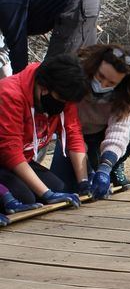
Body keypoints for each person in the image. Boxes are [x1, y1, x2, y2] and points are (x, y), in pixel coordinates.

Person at [50, 44, 130, 196]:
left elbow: (119, 133)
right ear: (94, 66)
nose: (102, 85)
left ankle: (114, 166)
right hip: (71, 137)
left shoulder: (125, 94)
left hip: (102, 134)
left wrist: (105, 166)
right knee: (61, 189)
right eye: (101, 77)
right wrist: (85, 173)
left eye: (111, 83)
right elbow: (68, 129)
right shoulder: (75, 76)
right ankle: (93, 167)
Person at [0, 53, 90, 208]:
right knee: (26, 197)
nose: (64, 105)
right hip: (4, 158)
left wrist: (84, 183)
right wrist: (46, 194)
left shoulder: (62, 91)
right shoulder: (9, 94)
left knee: (60, 189)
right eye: (62, 100)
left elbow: (73, 134)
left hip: (23, 159)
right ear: (43, 88)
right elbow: (10, 151)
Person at [0, 0, 100, 75]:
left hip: (78, 1)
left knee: (54, 72)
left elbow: (18, 54)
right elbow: (11, 46)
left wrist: (17, 85)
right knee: (80, 69)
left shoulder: (7, 5)